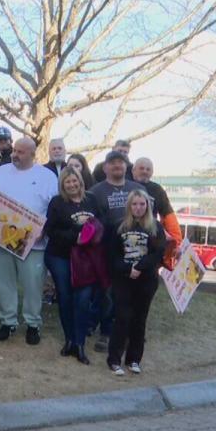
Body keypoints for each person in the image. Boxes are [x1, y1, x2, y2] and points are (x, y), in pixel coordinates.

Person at [0, 137, 59, 345]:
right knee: (3, 281)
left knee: (33, 284)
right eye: (14, 150)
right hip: (1, 239)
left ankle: (33, 324)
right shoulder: (0, 172)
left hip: (33, 242)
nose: (15, 154)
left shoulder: (46, 176)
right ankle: (8, 322)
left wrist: (45, 229)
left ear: (33, 155)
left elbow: (55, 207)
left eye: (21, 152)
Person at [89, 150, 146, 353]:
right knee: (108, 294)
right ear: (105, 167)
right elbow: (92, 222)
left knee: (134, 294)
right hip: (108, 250)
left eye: (120, 163)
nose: (117, 166)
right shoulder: (95, 191)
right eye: (112, 163)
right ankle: (106, 332)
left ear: (126, 166)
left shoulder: (138, 189)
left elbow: (149, 217)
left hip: (135, 250)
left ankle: (133, 332)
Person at [44, 168, 100, 365]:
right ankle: (70, 339)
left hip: (86, 259)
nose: (72, 185)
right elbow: (50, 230)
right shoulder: (57, 203)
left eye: (74, 181)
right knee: (65, 296)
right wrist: (74, 237)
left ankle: (80, 343)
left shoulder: (91, 200)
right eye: (67, 182)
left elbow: (101, 224)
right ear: (62, 184)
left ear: (80, 181)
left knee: (83, 299)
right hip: (61, 256)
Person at [106, 190, 165, 376]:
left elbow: (157, 254)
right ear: (129, 206)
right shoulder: (119, 226)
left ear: (147, 206)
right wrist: (127, 268)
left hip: (146, 280)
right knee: (122, 318)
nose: (138, 208)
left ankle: (133, 359)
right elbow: (112, 255)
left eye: (142, 204)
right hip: (123, 280)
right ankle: (114, 360)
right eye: (134, 204)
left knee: (139, 321)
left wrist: (140, 267)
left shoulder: (155, 227)